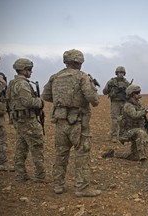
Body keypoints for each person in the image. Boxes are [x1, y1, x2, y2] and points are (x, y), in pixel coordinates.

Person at [42, 49, 100, 197]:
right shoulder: (82, 77)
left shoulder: (55, 77)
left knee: (61, 153)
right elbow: (94, 100)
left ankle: (58, 185)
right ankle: (82, 188)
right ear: (78, 62)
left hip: (60, 122)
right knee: (82, 154)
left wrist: (62, 103)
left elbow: (46, 95)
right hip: (78, 123)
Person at [6, 58, 47, 182]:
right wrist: (40, 102)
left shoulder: (13, 83)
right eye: (29, 69)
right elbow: (27, 101)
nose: (31, 72)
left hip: (19, 119)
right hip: (27, 120)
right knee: (37, 146)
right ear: (23, 70)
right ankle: (40, 175)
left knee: (21, 146)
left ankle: (21, 174)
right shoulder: (22, 84)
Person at [102, 84, 148, 164]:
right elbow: (135, 115)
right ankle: (143, 159)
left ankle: (113, 154)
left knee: (134, 157)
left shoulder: (138, 105)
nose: (139, 94)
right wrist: (147, 110)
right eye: (137, 93)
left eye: (139, 92)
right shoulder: (128, 106)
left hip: (134, 131)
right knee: (140, 132)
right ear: (131, 94)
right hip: (126, 133)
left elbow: (141, 118)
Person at [103, 66, 130, 143]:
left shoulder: (126, 83)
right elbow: (104, 91)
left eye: (122, 73)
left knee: (123, 119)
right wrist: (110, 88)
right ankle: (114, 135)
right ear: (116, 73)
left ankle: (122, 135)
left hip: (124, 102)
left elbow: (130, 93)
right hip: (115, 102)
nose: (120, 74)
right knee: (114, 119)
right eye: (119, 73)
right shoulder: (111, 82)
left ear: (124, 74)